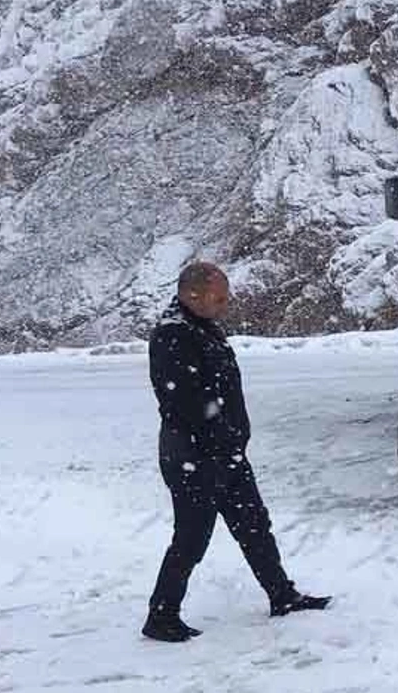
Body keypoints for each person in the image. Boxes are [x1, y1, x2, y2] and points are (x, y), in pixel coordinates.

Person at [143, 261, 330, 642]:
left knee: (255, 526)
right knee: (192, 536)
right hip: (192, 457)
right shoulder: (172, 335)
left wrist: (231, 442)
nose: (226, 304)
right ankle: (161, 616)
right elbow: (185, 402)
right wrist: (221, 437)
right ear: (191, 294)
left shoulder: (202, 328)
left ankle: (282, 594)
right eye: (219, 297)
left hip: (224, 453)